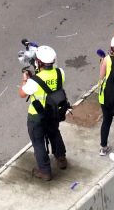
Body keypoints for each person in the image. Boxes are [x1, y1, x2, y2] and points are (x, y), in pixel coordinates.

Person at [18, 44, 68, 181]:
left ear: (38, 62)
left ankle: (45, 171)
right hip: (54, 112)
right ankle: (61, 159)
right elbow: (49, 81)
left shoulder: (34, 81)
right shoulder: (60, 73)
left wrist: (25, 79)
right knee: (54, 133)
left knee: (38, 142)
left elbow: (22, 93)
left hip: (37, 116)